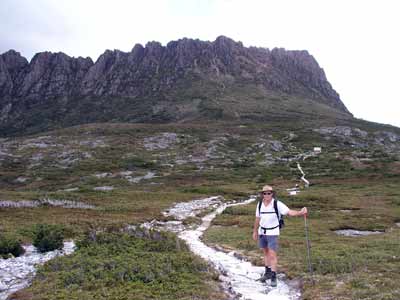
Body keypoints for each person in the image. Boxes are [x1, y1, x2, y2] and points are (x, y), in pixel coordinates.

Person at [252, 184, 307, 287]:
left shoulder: (277, 204)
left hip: (273, 233)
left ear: (272, 194)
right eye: (265, 193)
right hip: (262, 232)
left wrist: (300, 212)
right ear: (262, 194)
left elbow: (289, 212)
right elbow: (257, 218)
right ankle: (267, 273)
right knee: (266, 253)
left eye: (269, 193)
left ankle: (273, 276)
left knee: (272, 254)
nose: (267, 195)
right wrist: (255, 231)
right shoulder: (259, 204)